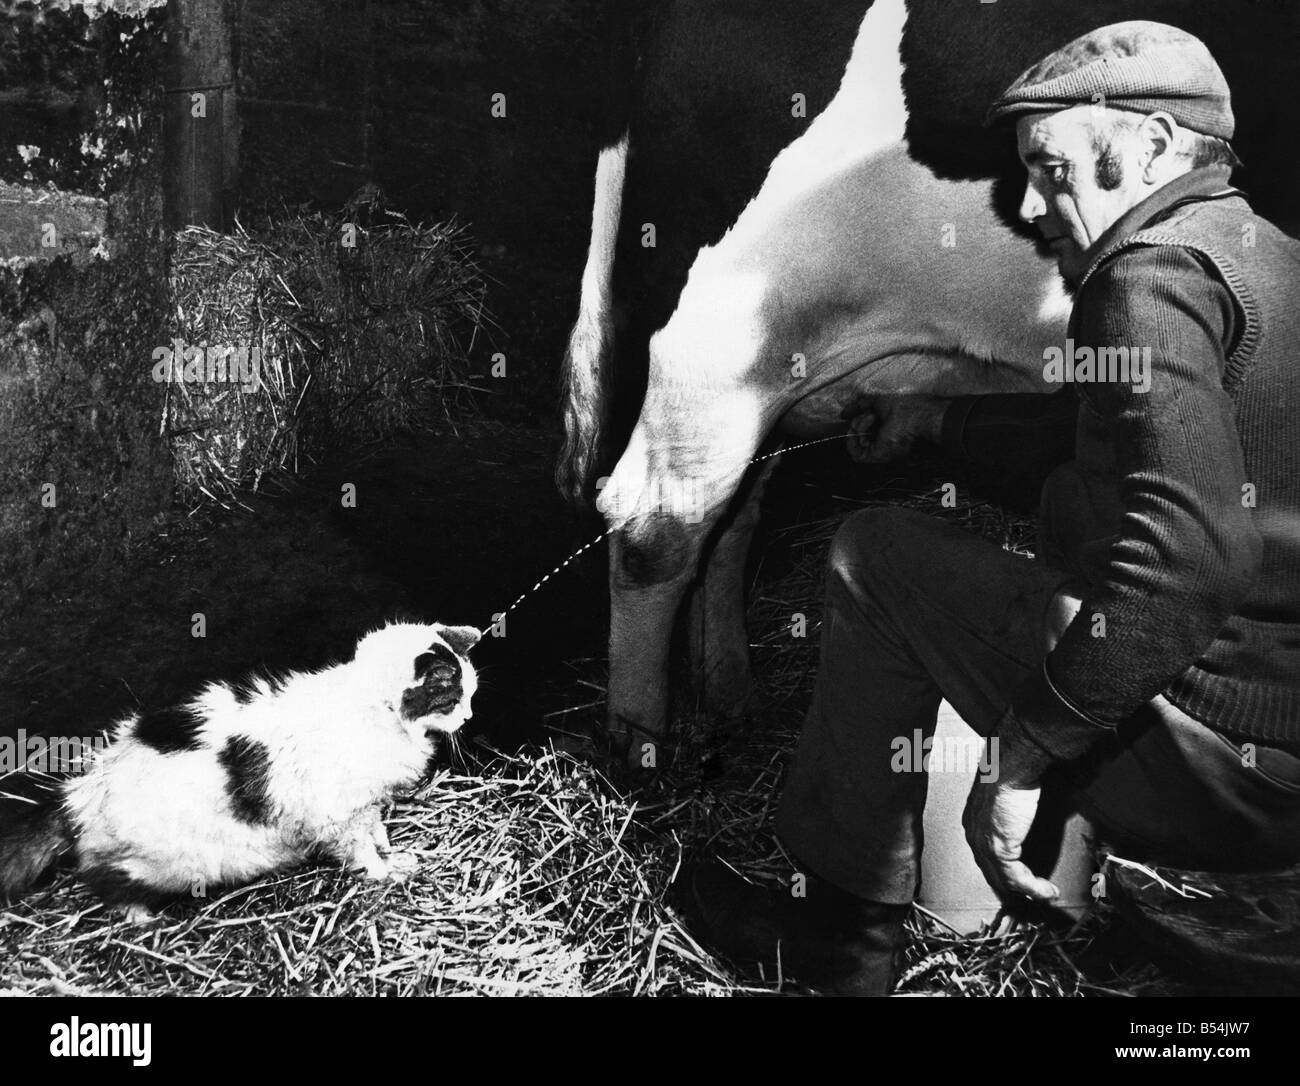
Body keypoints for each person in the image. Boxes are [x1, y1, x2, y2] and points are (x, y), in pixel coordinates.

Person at [681, 20, 1300, 995]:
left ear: (1148, 144)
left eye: (1050, 166)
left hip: (1213, 771)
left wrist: (1023, 756)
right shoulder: (1267, 258)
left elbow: (1189, 556)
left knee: (873, 556)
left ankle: (840, 944)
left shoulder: (1147, 277)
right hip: (1281, 757)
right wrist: (931, 422)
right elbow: (1100, 447)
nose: (1027, 202)